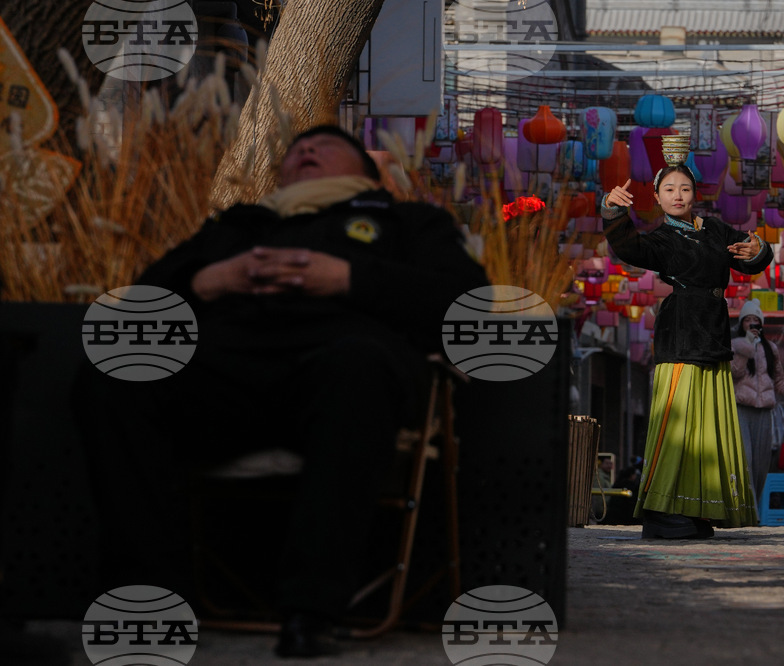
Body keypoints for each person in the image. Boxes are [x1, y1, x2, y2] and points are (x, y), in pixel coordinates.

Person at [79, 124, 489, 657]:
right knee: (118, 373)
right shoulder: (237, 226)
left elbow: (467, 306)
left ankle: (311, 610)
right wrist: (208, 281)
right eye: (298, 149)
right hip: (225, 377)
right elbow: (141, 307)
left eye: (328, 145)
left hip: (339, 368)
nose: (308, 149)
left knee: (356, 366)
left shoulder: (407, 222)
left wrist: (348, 278)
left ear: (369, 175)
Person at [601, 168, 773, 539]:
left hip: (713, 332)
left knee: (706, 427)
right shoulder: (661, 238)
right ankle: (659, 510)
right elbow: (629, 247)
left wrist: (759, 249)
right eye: (668, 189)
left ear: (695, 193)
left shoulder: (716, 230)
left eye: (684, 188)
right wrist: (612, 210)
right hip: (680, 334)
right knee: (676, 425)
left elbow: (750, 255)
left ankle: (694, 508)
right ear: (657, 198)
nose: (677, 195)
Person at [731, 298, 784, 510]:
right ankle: (750, 510)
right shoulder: (735, 346)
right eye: (748, 320)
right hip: (742, 409)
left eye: (755, 320)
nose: (752, 323)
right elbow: (735, 372)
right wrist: (746, 347)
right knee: (745, 459)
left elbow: (778, 379)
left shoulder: (771, 348)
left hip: (764, 411)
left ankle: (753, 505)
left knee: (762, 463)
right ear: (742, 323)